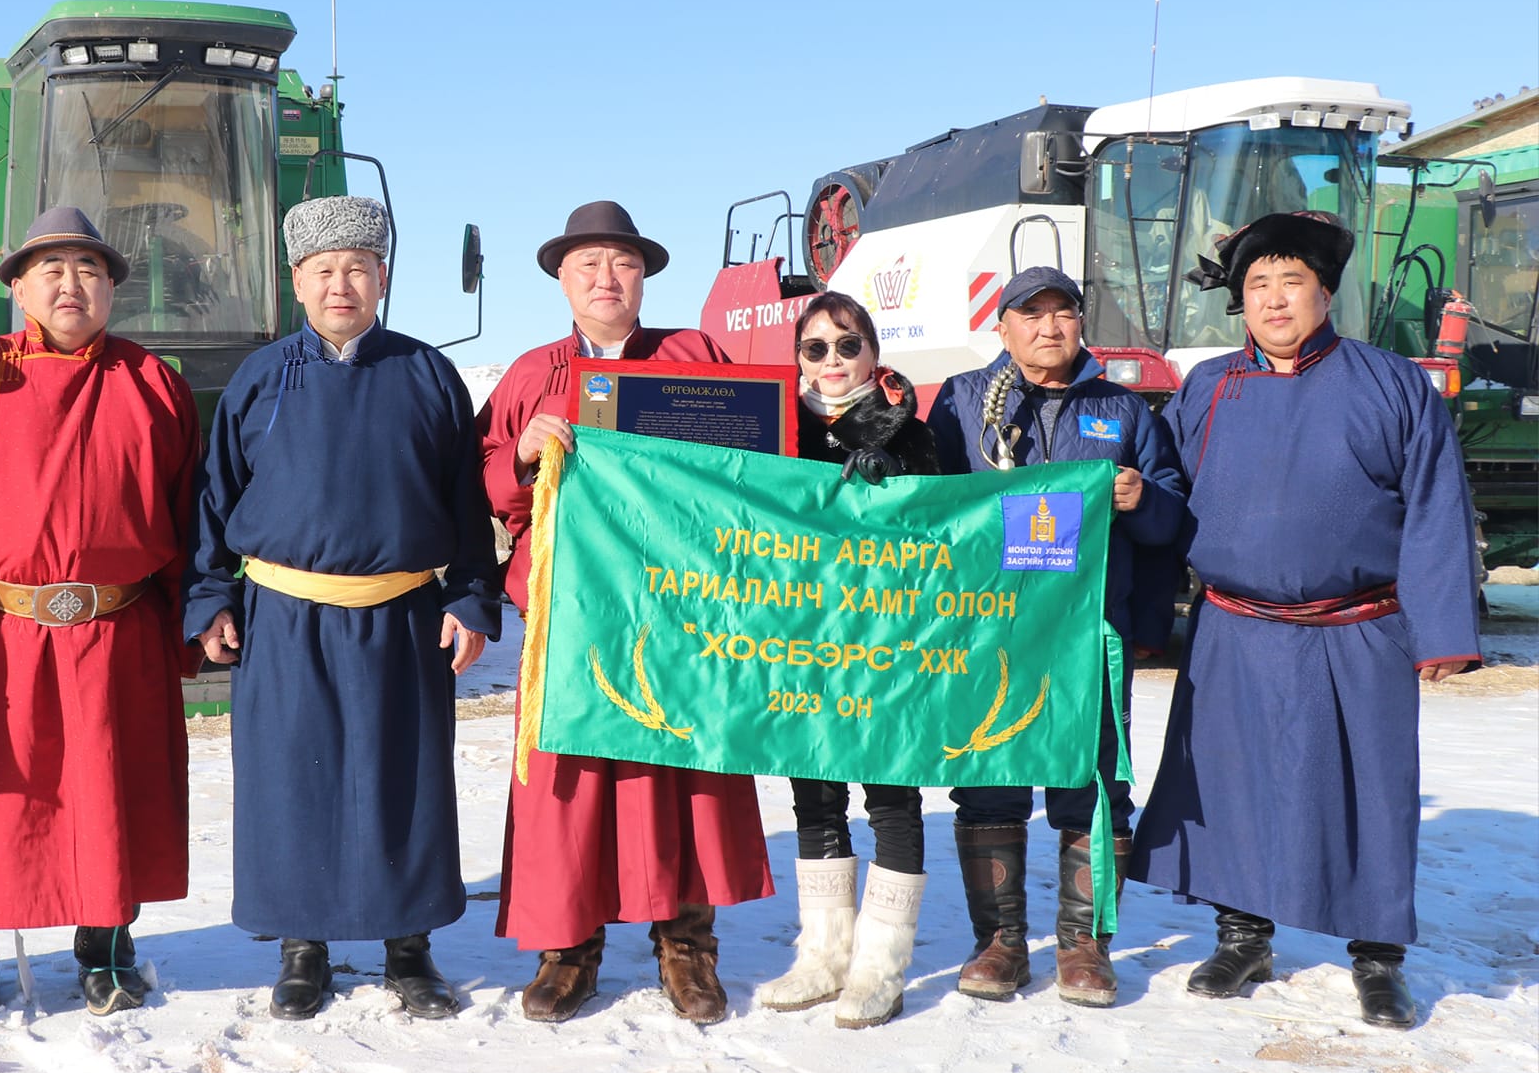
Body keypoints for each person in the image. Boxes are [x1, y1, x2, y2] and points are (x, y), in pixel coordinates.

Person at [1130, 212, 1480, 1029]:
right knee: (1230, 784)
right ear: (1240, 303)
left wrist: (1442, 630)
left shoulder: (1391, 383)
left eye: (1292, 282)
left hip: (1358, 627)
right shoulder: (1207, 387)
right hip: (1234, 628)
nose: (1275, 300)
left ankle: (1378, 956)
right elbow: (1167, 498)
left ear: (1324, 292)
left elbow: (1435, 505)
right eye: (1258, 285)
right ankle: (1242, 936)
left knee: (1370, 792)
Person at [186, 195, 501, 1022]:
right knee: (294, 781)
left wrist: (469, 596)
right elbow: (215, 501)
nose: (341, 285)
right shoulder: (259, 379)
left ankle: (410, 949)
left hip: (401, 613)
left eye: (358, 268)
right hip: (285, 617)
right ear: (298, 282)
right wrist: (213, 596)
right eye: (324, 271)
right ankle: (303, 950)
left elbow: (465, 500)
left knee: (404, 782)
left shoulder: (427, 373)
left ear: (382, 277)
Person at [478, 200, 773, 1024]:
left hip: (684, 606)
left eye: (623, 264)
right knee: (570, 786)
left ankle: (688, 949)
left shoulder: (693, 356)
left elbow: (755, 462)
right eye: (588, 266)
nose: (607, 279)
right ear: (562, 280)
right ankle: (567, 952)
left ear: (644, 276)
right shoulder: (532, 372)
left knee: (685, 777)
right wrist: (522, 453)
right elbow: (482, 477)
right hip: (573, 610)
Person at [0, 206, 202, 1020]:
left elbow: (188, 517)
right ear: (21, 286)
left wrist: (191, 628)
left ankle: (106, 953)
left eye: (88, 270)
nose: (71, 285)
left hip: (119, 629)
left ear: (111, 288)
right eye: (52, 269)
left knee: (112, 794)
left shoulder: (152, 383)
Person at [925, 265, 1185, 1007]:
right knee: (988, 784)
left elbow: (1174, 520)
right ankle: (1000, 944)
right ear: (1000, 327)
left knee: (1094, 788)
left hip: (1088, 633)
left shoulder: (1124, 409)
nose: (1048, 327)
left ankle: (1084, 946)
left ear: (1081, 323)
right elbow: (928, 500)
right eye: (1029, 314)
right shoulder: (964, 402)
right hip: (987, 630)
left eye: (1062, 312)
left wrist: (1141, 499)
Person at [756, 292, 941, 1028]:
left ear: (873, 350)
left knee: (892, 795)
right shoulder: (777, 428)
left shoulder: (912, 430)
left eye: (848, 344)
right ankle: (824, 955)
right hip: (802, 636)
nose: (833, 361)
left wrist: (894, 471)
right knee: (815, 791)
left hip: (887, 640)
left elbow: (939, 526)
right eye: (816, 348)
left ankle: (880, 967)